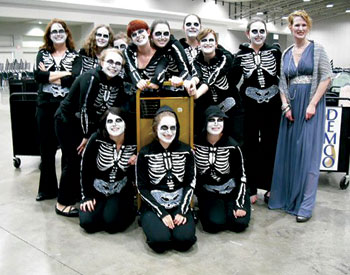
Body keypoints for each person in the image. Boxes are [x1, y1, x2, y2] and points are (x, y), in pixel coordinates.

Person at [268, 10, 332, 222]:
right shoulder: (286, 52)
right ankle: (288, 199)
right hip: (291, 107)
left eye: (304, 25)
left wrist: (312, 104)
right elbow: (281, 82)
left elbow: (327, 77)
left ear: (308, 27)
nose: (300, 28)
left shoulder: (317, 49)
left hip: (311, 105)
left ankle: (305, 205)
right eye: (296, 25)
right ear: (290, 27)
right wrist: (285, 106)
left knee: (308, 156)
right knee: (290, 154)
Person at [231, 18, 282, 204]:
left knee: (271, 145)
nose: (258, 34)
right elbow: (232, 80)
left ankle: (270, 187)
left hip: (273, 106)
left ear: (266, 33)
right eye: (254, 31)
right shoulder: (240, 55)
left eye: (262, 31)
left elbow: (283, 77)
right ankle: (250, 187)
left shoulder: (275, 53)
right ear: (247, 33)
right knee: (249, 146)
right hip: (250, 105)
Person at [136, 106, 197, 253]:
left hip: (179, 203)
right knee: (160, 243)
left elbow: (190, 182)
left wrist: (182, 210)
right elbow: (142, 187)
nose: (169, 132)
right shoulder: (145, 153)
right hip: (154, 205)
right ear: (156, 129)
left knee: (184, 242)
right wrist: (161, 212)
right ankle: (148, 220)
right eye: (164, 128)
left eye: (173, 128)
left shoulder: (187, 151)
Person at [34, 18, 81, 202]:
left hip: (66, 108)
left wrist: (50, 75)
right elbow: (38, 76)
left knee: (69, 152)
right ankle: (46, 190)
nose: (58, 34)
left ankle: (67, 190)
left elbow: (75, 78)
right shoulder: (42, 53)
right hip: (45, 106)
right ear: (49, 36)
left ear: (66, 33)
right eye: (54, 31)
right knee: (47, 150)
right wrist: (64, 73)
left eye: (61, 30)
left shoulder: (75, 55)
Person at [79, 107, 137, 233]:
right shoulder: (96, 139)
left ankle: (124, 209)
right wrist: (87, 196)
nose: (114, 125)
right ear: (104, 124)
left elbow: (138, 173)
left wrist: (137, 161)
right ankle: (105, 210)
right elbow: (85, 169)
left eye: (118, 120)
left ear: (125, 122)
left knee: (111, 224)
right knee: (87, 222)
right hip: (97, 189)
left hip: (120, 190)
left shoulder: (134, 141)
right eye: (110, 121)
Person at [194, 105, 250, 233]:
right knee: (213, 225)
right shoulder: (196, 144)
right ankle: (218, 210)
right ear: (204, 122)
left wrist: (239, 204)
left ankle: (231, 206)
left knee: (239, 224)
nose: (216, 124)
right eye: (211, 120)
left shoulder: (233, 146)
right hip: (209, 192)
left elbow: (242, 176)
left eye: (220, 120)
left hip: (232, 191)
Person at [190, 28, 243, 144]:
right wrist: (192, 84)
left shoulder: (226, 57)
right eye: (204, 40)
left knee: (234, 142)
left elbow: (213, 77)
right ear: (198, 44)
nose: (207, 43)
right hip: (208, 109)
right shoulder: (196, 61)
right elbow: (196, 75)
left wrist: (197, 93)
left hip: (230, 106)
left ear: (216, 43)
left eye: (211, 40)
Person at [124, 19, 167, 92]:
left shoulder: (160, 52)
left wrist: (156, 81)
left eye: (140, 31)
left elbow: (161, 71)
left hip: (157, 97)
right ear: (132, 39)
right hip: (135, 98)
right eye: (134, 35)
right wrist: (138, 81)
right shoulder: (129, 51)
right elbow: (130, 69)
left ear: (148, 32)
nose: (138, 35)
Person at [150, 19, 191, 88]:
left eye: (166, 33)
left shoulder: (174, 45)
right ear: (151, 36)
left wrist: (180, 79)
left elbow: (185, 69)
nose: (162, 37)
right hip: (164, 79)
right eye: (158, 33)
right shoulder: (149, 47)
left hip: (182, 78)